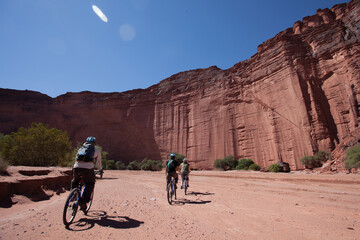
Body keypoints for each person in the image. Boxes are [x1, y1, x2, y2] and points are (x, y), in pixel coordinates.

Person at [71, 136, 102, 212]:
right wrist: (100, 170)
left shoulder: (81, 149)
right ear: (94, 143)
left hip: (76, 167)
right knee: (90, 183)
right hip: (88, 169)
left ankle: (73, 195)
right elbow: (98, 163)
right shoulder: (96, 150)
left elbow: (76, 159)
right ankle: (83, 202)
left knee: (75, 180)